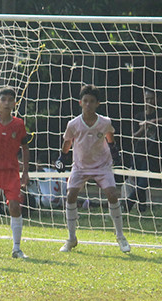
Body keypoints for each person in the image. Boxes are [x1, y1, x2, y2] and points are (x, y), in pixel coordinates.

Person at [57, 84, 131, 253]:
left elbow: (109, 135)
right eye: (85, 101)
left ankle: (120, 236)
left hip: (102, 165)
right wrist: (63, 157)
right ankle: (71, 238)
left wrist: (114, 150)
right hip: (80, 166)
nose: (88, 104)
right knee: (71, 195)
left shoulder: (104, 122)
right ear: (80, 102)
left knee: (112, 194)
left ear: (98, 103)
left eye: (92, 101)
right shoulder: (74, 124)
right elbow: (67, 141)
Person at [0, 87, 30, 258]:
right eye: (4, 100)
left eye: (10, 100)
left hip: (10, 171)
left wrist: (25, 172)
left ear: (15, 103)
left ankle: (16, 248)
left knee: (15, 206)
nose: (7, 103)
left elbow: (24, 147)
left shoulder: (19, 124)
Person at [127, 88, 160, 211]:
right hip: (138, 152)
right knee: (139, 182)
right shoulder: (138, 116)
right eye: (147, 99)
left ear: (157, 100)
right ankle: (142, 207)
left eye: (152, 98)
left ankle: (128, 202)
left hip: (152, 153)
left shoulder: (158, 114)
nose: (149, 101)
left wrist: (153, 121)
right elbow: (133, 136)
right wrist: (143, 128)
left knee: (143, 182)